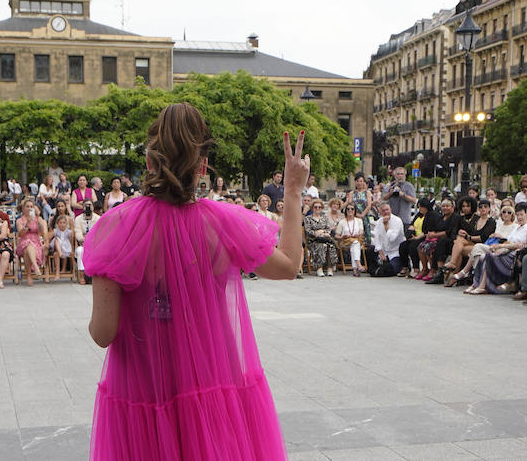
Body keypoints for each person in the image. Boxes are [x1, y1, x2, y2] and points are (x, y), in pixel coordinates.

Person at [86, 106, 301, 459]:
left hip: (145, 386)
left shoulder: (115, 228)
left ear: (150, 160)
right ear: (202, 166)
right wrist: (291, 191)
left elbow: (103, 333)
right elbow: (290, 265)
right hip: (213, 383)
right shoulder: (223, 225)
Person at [370, 202, 406, 277]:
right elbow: (377, 238)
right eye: (383, 210)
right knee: (370, 251)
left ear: (390, 210)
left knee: (392, 269)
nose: (386, 212)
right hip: (384, 251)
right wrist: (380, 252)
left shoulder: (397, 221)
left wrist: (386, 226)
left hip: (396, 251)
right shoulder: (379, 222)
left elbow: (392, 238)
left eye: (387, 210)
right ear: (380, 212)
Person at [303, 200, 338, 277]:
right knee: (321, 246)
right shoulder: (308, 218)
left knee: (330, 246)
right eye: (315, 207)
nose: (317, 208)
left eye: (319, 207)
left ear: (322, 208)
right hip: (313, 240)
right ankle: (319, 268)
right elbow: (308, 230)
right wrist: (315, 233)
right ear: (312, 208)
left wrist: (323, 232)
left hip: (325, 238)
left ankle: (329, 267)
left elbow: (328, 229)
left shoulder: (324, 218)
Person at [16, 202, 47, 285]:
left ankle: (29, 276)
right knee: (27, 243)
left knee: (27, 250)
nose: (29, 208)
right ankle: (36, 267)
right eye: (27, 206)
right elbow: (20, 234)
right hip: (23, 241)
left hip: (36, 242)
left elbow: (42, 232)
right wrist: (27, 224)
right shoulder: (19, 220)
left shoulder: (37, 219)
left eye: (31, 206)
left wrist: (38, 217)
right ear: (23, 209)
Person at [335, 205, 365, 276]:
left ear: (355, 211)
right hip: (345, 241)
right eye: (348, 209)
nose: (350, 210)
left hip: (357, 239)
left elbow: (361, 231)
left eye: (352, 209)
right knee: (355, 243)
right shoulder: (342, 222)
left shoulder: (359, 220)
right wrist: (342, 237)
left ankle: (355, 269)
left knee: (355, 243)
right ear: (345, 211)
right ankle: (358, 265)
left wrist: (357, 234)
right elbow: (336, 235)